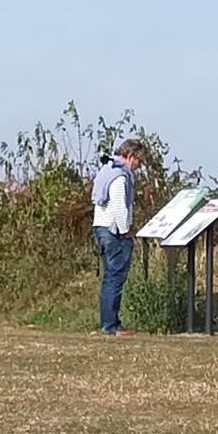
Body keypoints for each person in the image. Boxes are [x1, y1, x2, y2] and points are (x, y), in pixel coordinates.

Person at [91, 139, 147, 335]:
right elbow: (119, 207)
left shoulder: (107, 169)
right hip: (113, 231)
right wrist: (126, 231)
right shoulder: (120, 177)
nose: (139, 166)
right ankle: (111, 324)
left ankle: (109, 322)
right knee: (115, 278)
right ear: (130, 157)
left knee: (109, 277)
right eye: (139, 161)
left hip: (100, 227)